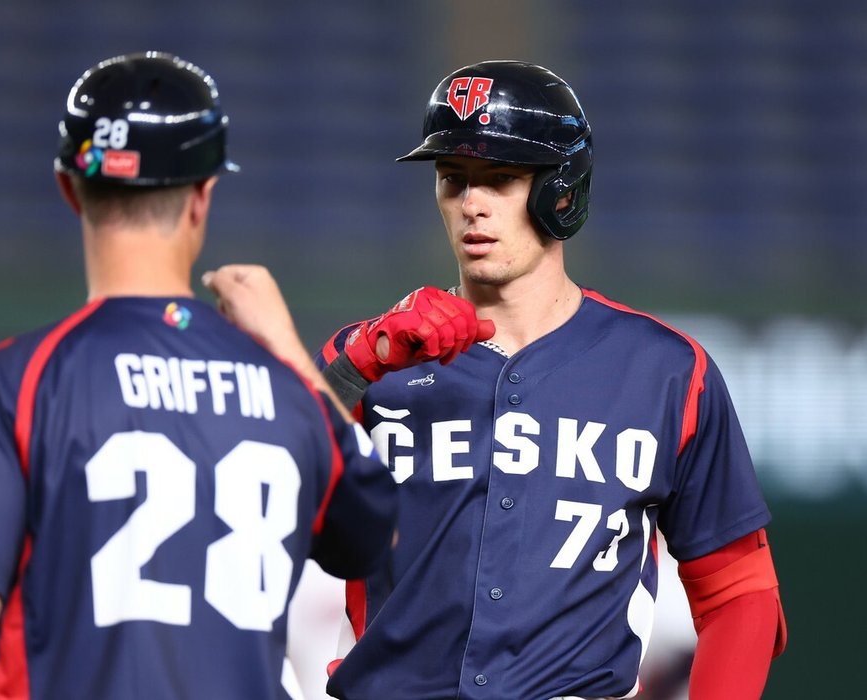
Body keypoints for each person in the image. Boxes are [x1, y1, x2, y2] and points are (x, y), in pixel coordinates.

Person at [0, 52, 397, 700]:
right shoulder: (285, 390)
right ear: (203, 195)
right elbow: (373, 528)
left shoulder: (18, 382)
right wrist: (288, 351)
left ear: (69, 187)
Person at [270, 60, 787, 699]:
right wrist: (356, 367)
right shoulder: (372, 361)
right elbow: (263, 499)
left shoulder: (666, 371)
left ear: (561, 190)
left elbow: (737, 592)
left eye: (501, 179)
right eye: (453, 178)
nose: (471, 205)